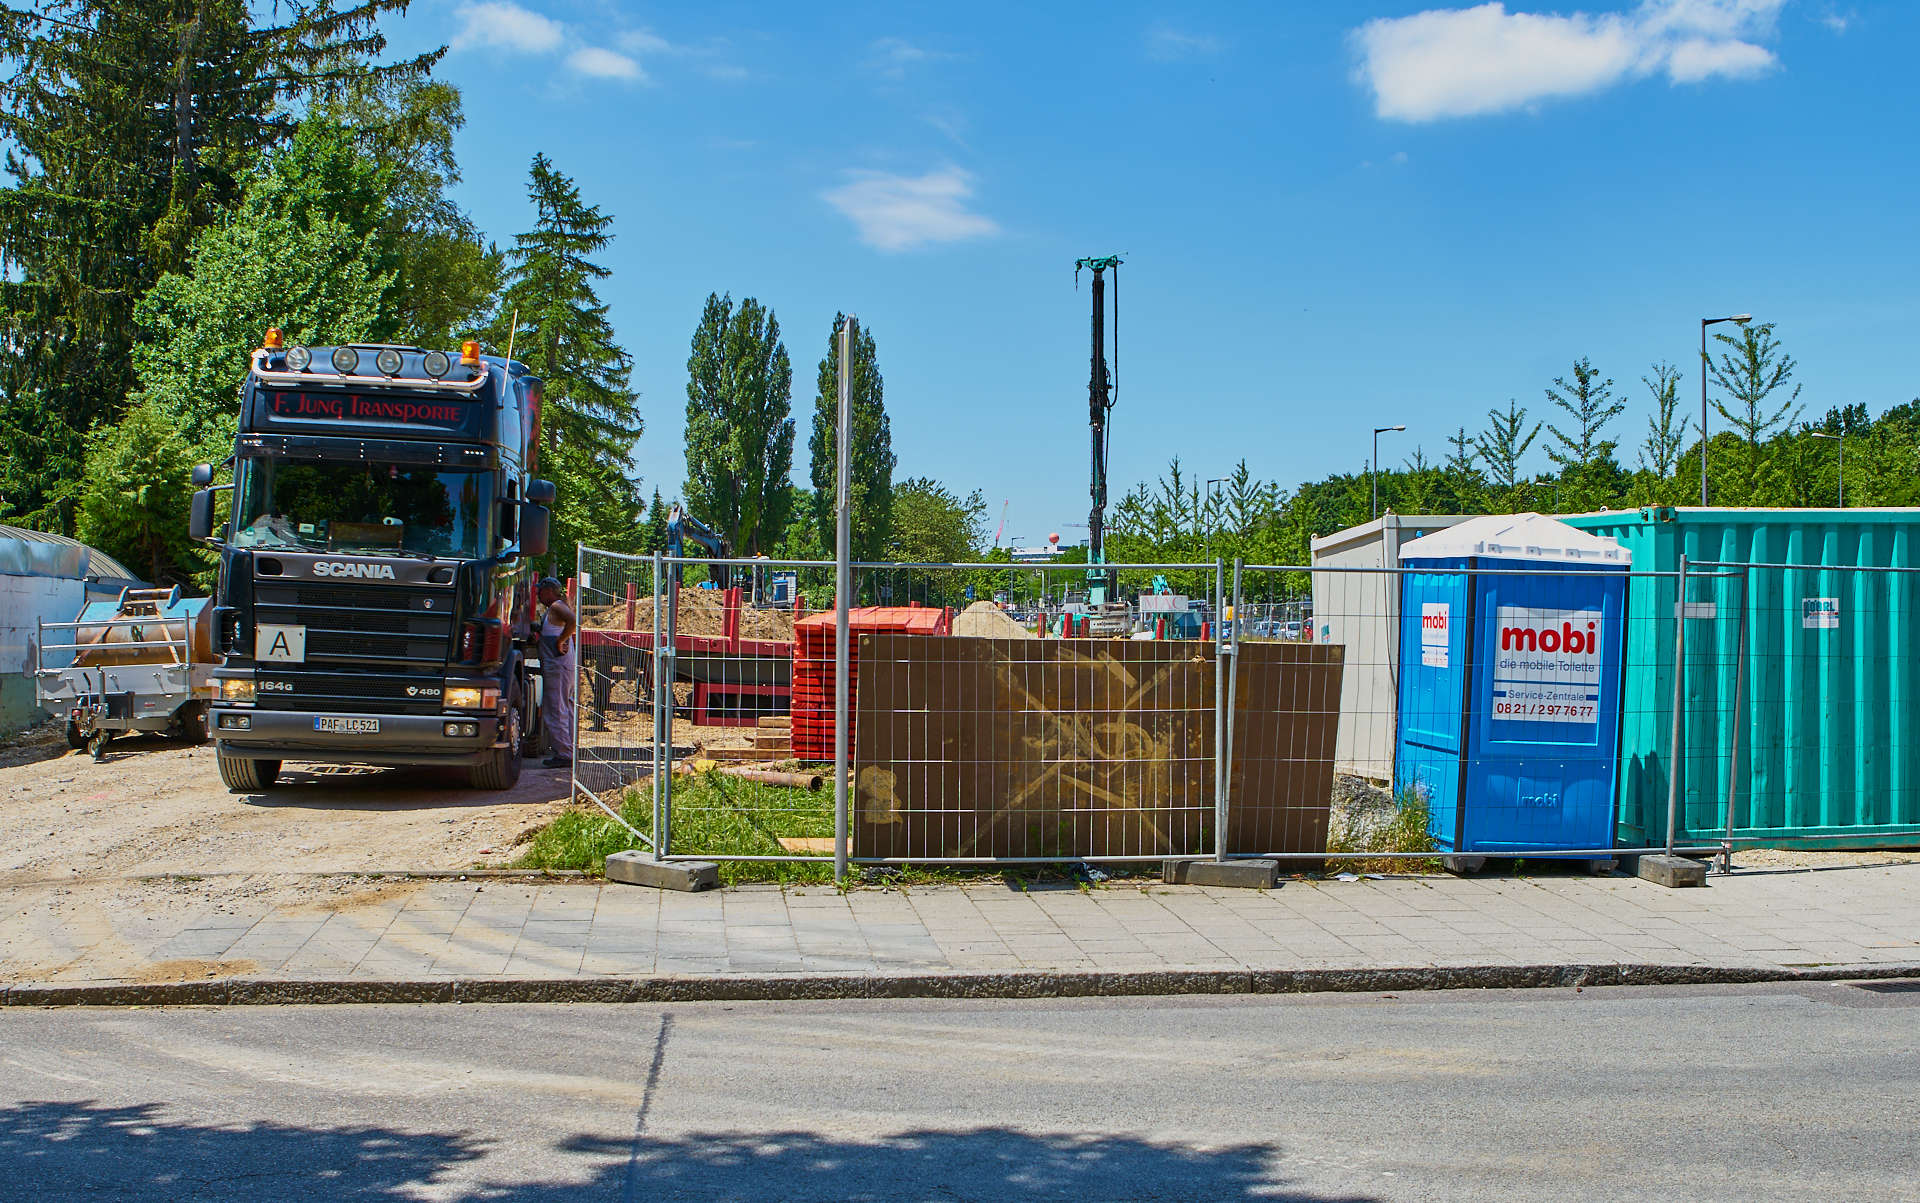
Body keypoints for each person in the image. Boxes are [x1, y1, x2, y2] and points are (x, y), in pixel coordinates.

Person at [535, 577, 577, 769]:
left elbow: (573, 621)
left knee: (555, 707)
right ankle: (569, 749)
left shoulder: (557, 607)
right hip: (562, 664)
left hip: (557, 664)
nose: (537, 594)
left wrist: (560, 641)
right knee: (565, 705)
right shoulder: (555, 608)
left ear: (549, 591)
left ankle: (564, 753)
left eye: (540, 590)